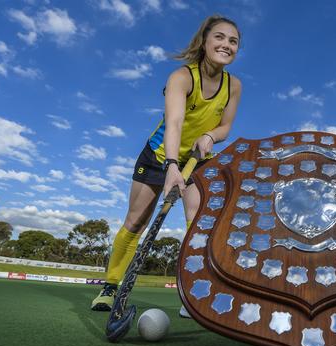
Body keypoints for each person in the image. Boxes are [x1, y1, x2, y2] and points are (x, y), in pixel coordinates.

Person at [91, 15, 242, 318]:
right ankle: (109, 287)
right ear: (205, 41)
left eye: (233, 41)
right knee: (136, 221)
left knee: (197, 223)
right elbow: (174, 122)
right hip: (160, 156)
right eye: (220, 37)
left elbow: (225, 127)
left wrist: (210, 134)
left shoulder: (233, 86)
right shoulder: (182, 77)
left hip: (199, 159)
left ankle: (196, 295)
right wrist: (172, 165)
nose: (226, 44)